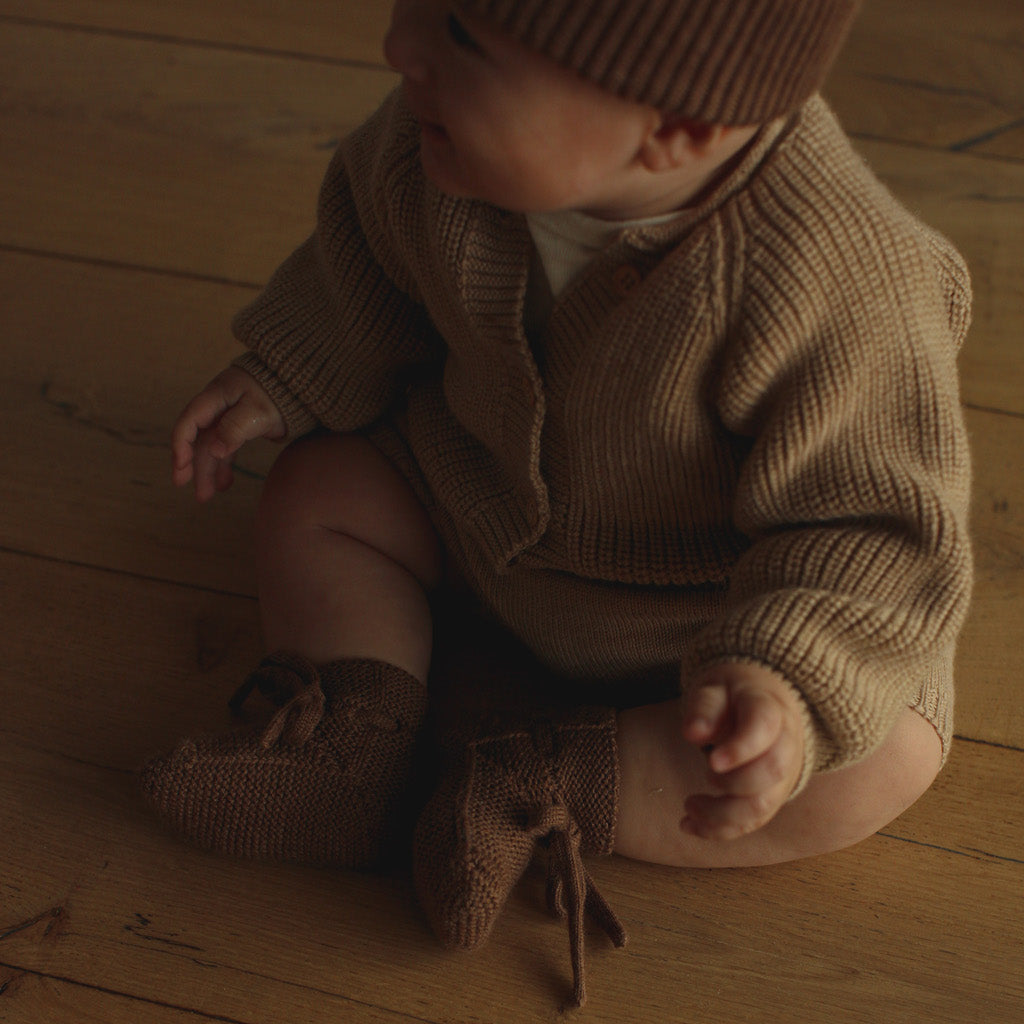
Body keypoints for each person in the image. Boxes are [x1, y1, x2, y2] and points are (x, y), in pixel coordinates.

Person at [141, 0, 973, 1007]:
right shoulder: (432, 139)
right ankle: (350, 748)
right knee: (321, 486)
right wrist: (291, 368)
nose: (402, 47)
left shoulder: (839, 279)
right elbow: (362, 262)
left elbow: (873, 527)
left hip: (697, 623)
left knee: (881, 758)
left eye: (463, 37)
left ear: (675, 128)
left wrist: (781, 684)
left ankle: (545, 785)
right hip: (477, 501)